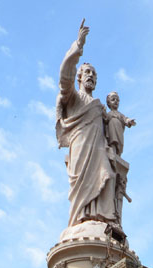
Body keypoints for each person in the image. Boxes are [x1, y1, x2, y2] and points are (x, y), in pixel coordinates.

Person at [56, 20, 116, 227]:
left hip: (99, 150)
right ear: (79, 77)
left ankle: (102, 219)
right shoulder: (73, 97)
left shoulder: (100, 106)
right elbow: (64, 75)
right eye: (87, 72)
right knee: (82, 185)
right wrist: (78, 47)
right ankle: (81, 218)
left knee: (108, 176)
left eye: (94, 74)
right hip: (81, 148)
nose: (91, 76)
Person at [104, 92, 135, 158]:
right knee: (113, 141)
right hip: (111, 131)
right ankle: (112, 150)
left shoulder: (120, 115)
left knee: (119, 144)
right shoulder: (108, 114)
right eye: (113, 99)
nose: (116, 101)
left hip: (119, 132)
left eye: (117, 100)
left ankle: (118, 154)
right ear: (108, 103)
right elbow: (105, 120)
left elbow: (125, 119)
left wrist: (129, 121)